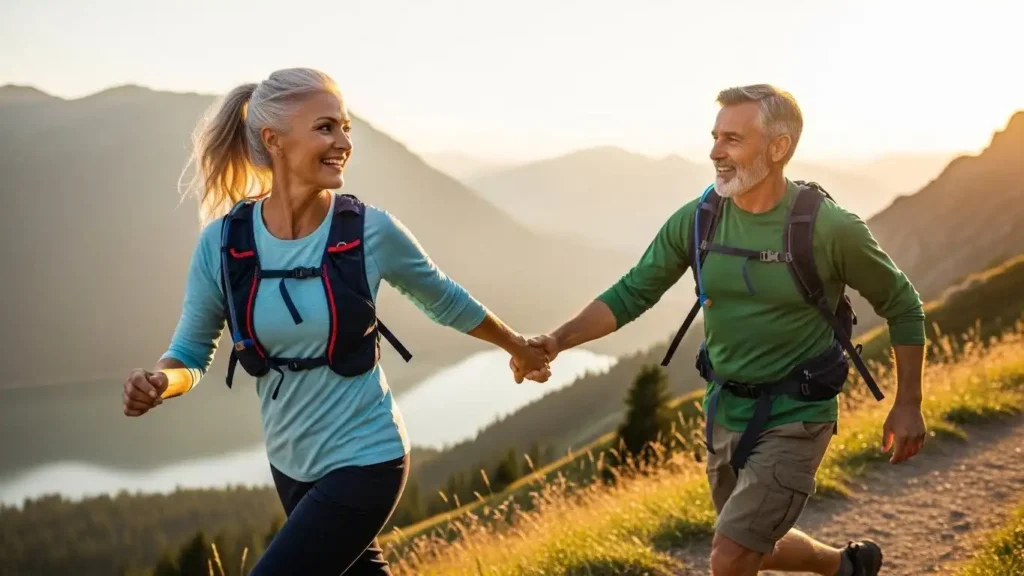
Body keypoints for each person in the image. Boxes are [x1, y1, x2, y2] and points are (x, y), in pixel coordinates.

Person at [121, 67, 551, 576]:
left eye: (346, 128)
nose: (344, 142)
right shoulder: (222, 243)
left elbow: (446, 300)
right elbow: (191, 354)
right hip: (290, 463)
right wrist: (161, 383)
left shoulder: (371, 231)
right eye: (326, 128)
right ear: (273, 141)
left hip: (368, 455)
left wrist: (518, 347)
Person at [512, 84, 928, 576]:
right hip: (724, 411)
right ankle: (845, 566)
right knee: (750, 541)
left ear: (778, 148)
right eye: (715, 137)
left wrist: (908, 403)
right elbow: (633, 292)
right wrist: (557, 341)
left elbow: (903, 305)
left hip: (798, 411)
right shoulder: (700, 219)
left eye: (732, 139)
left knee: (730, 555)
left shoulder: (830, 229)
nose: (715, 152)